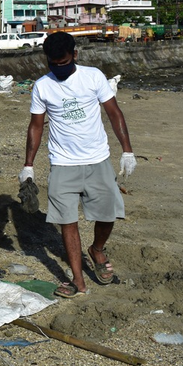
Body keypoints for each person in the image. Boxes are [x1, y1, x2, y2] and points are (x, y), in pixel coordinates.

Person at [21, 31, 136, 298]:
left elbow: (114, 112)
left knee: (108, 214)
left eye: (64, 63)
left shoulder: (93, 76)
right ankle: (77, 279)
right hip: (62, 164)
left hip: (97, 159)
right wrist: (28, 164)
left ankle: (96, 249)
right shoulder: (42, 86)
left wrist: (127, 150)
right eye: (54, 64)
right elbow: (36, 126)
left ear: (75, 54)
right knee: (67, 221)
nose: (60, 69)